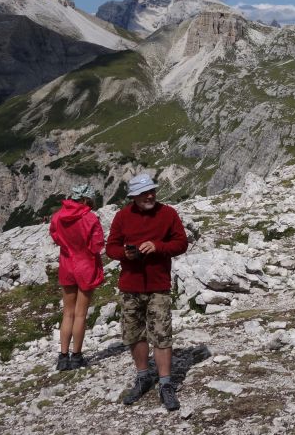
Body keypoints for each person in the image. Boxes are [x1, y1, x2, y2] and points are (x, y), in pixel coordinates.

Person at [105, 173, 188, 411]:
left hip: (158, 285)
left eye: (151, 191)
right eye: (143, 193)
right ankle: (143, 376)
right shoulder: (122, 216)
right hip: (130, 285)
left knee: (161, 333)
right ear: (133, 196)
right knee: (134, 333)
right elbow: (110, 247)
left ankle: (165, 383)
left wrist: (158, 246)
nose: (149, 196)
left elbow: (181, 243)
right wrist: (125, 253)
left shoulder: (168, 213)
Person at [50, 184, 105, 372]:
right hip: (86, 265)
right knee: (80, 313)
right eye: (90, 202)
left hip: (67, 264)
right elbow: (97, 245)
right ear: (84, 201)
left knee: (68, 313)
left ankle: (63, 357)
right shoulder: (90, 218)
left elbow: (55, 237)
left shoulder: (57, 217)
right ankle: (77, 356)